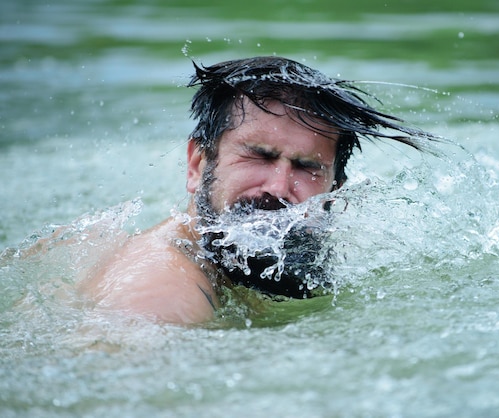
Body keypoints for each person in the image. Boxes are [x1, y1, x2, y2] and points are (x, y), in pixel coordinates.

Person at [79, 56, 441, 325]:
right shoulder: (161, 292)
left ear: (337, 193)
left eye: (307, 167)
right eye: (259, 156)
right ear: (197, 164)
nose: (279, 188)